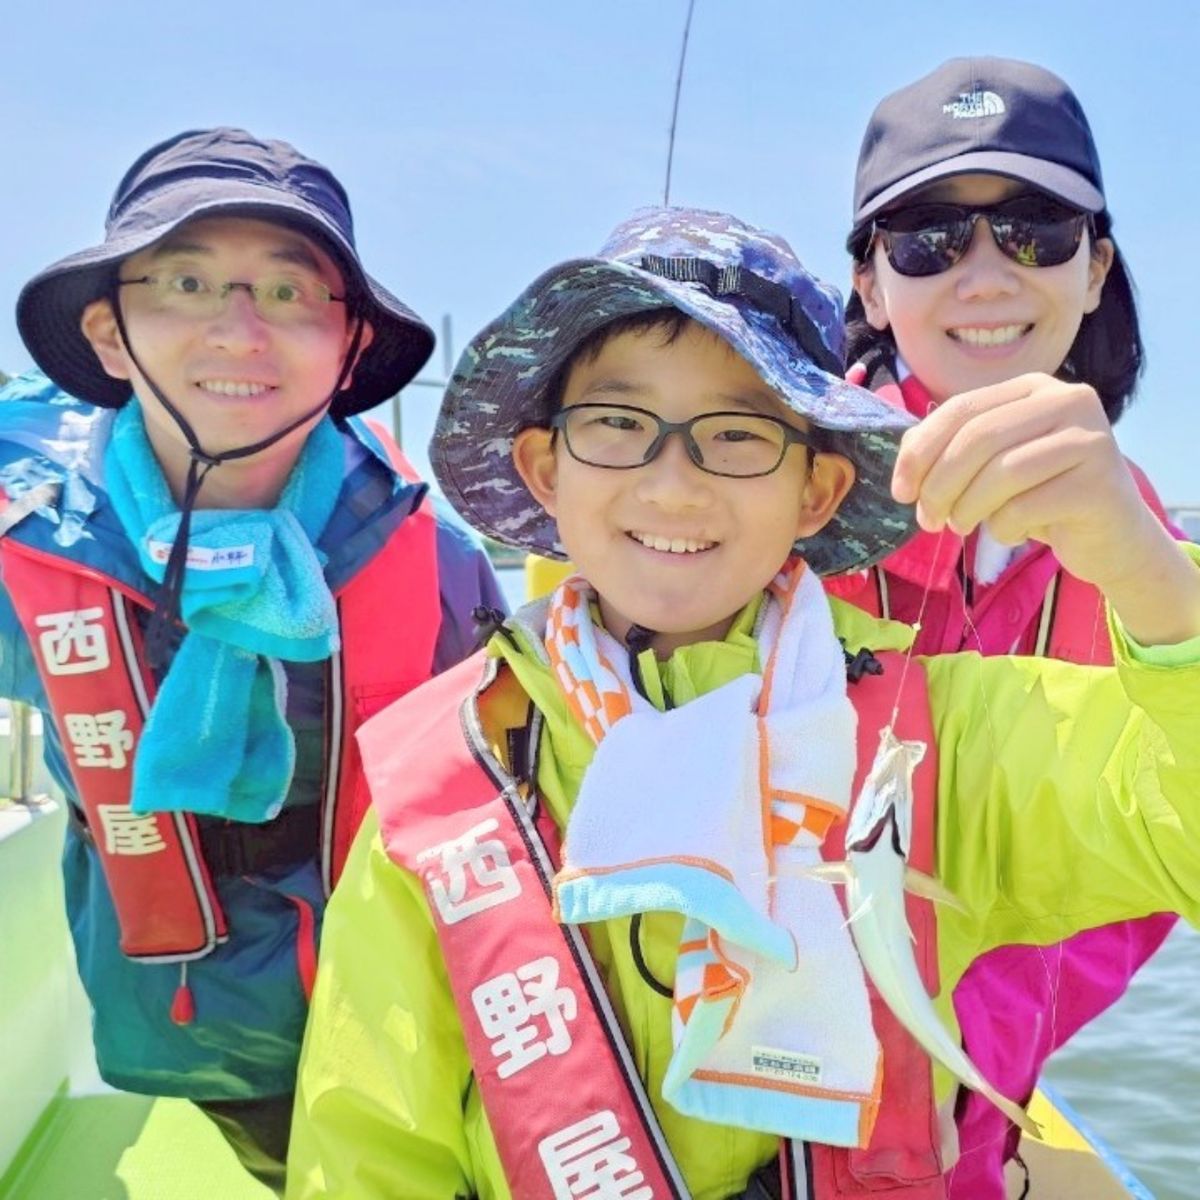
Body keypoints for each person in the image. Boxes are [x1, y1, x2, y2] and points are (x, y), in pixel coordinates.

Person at [285, 206, 1200, 1199]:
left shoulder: (934, 737)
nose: (674, 488)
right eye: (619, 425)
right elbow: (367, 1150)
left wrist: (1151, 577)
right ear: (546, 471)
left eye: (737, 435)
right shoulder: (442, 776)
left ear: (816, 492)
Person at [1, 127, 503, 1193]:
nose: (240, 331)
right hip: (190, 1025)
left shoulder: (446, 571)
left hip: (407, 1017)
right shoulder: (25, 548)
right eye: (186, 281)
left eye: (290, 293)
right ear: (109, 330)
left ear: (351, 347)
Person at [833, 57, 1179, 1197]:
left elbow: (1142, 879)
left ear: (1097, 270)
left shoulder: (1146, 554)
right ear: (874, 286)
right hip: (732, 1085)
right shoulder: (772, 484)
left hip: (961, 1115)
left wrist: (968, 1047)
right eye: (928, 238)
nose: (983, 274)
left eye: (1035, 230)